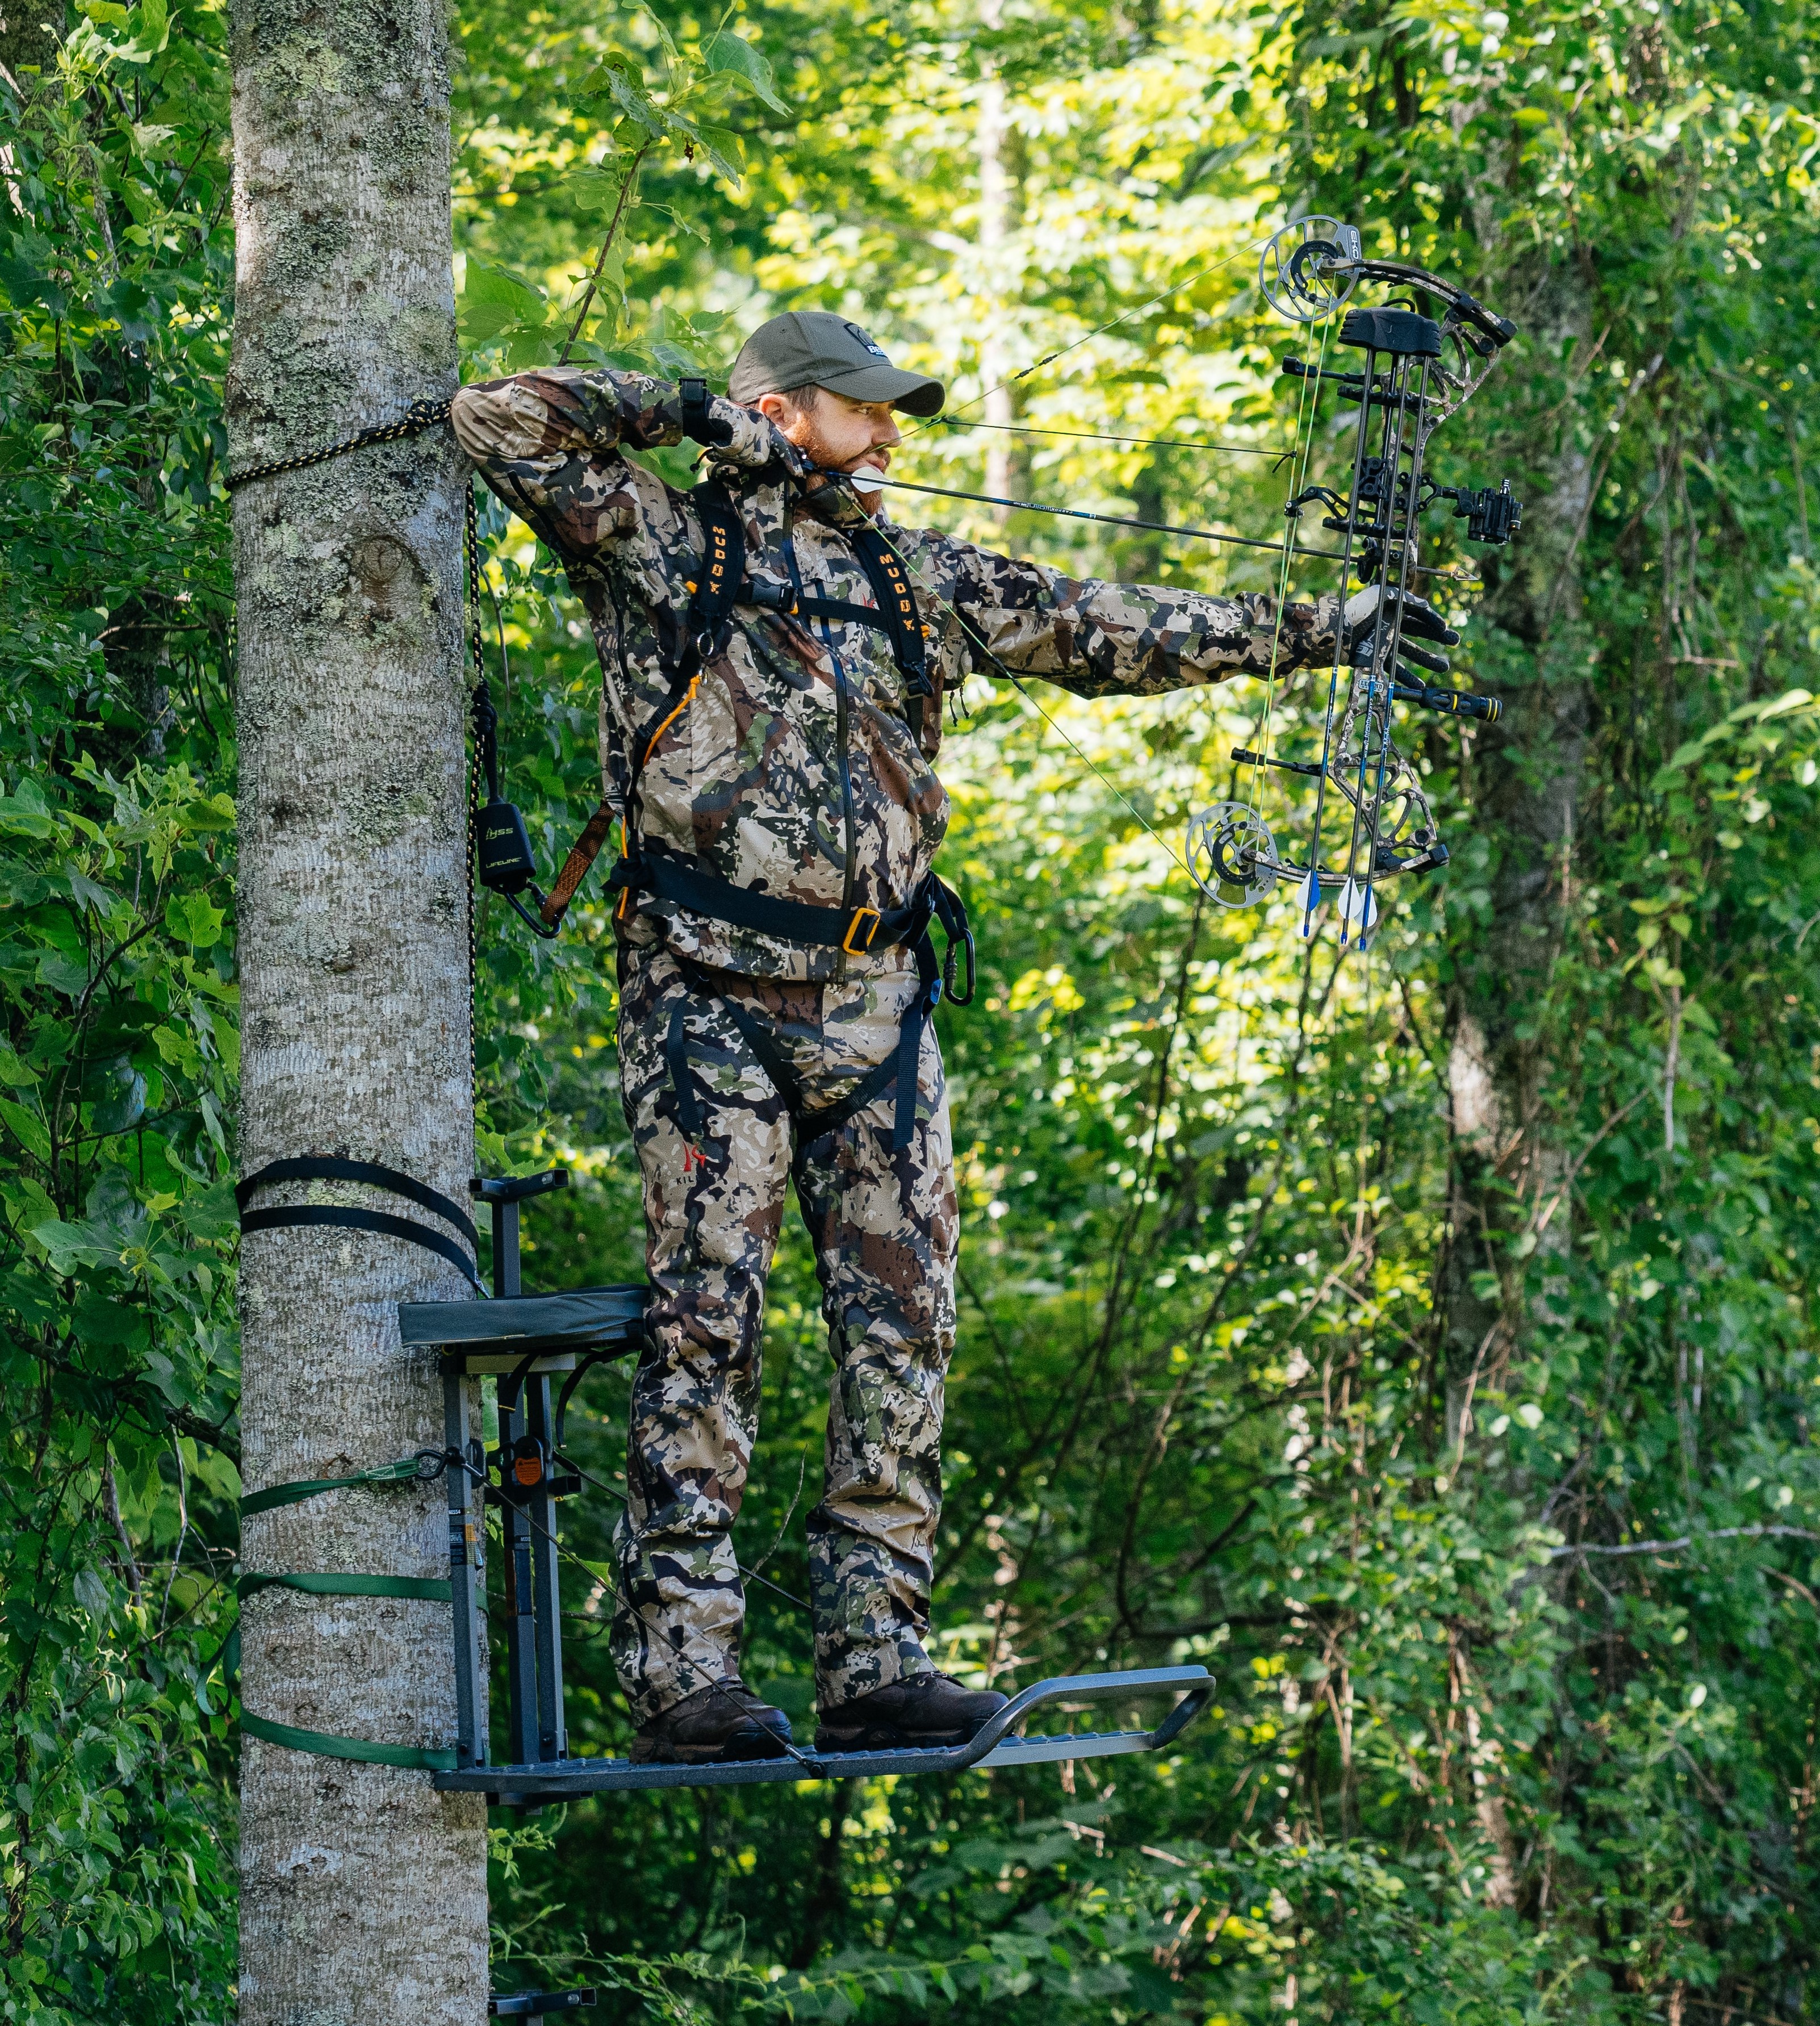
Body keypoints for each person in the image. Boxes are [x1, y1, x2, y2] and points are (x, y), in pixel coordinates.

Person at [451, 310, 1458, 1765]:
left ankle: (877, 1655)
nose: (894, 433)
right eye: (863, 411)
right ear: (785, 410)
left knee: (902, 1329)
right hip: (705, 988)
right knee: (707, 1322)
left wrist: (1323, 628)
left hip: (878, 1004)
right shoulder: (667, 541)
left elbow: (1112, 627)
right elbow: (497, 419)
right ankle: (685, 1671)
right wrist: (687, 412)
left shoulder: (909, 573)